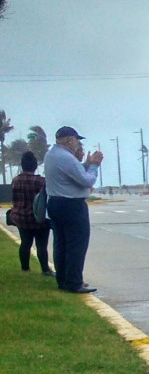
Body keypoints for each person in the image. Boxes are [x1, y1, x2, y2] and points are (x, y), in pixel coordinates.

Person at [44, 126, 103, 294]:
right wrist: (95, 166)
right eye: (77, 140)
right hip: (71, 205)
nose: (78, 144)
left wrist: (86, 164)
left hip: (56, 203)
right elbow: (85, 180)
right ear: (69, 139)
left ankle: (63, 279)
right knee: (76, 244)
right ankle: (74, 281)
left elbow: (72, 174)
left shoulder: (52, 155)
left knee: (61, 244)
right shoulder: (66, 157)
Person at [11, 151, 52, 276]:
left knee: (25, 243)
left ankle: (25, 268)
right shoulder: (41, 181)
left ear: (22, 165)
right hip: (38, 218)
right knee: (41, 245)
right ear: (35, 166)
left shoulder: (15, 181)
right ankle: (45, 269)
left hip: (21, 217)